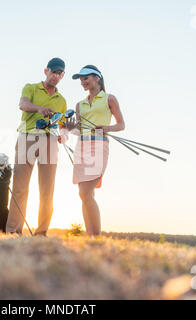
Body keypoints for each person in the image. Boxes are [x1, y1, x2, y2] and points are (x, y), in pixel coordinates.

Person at [6, 58, 68, 236]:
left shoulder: (61, 100)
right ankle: (13, 231)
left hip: (50, 141)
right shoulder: (31, 88)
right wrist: (40, 109)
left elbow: (62, 125)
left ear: (62, 75)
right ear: (45, 71)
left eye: (59, 73)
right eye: (53, 72)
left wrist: (64, 135)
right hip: (27, 137)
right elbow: (23, 105)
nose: (56, 76)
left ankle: (41, 232)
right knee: (20, 187)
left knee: (47, 189)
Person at [66, 65, 125, 236]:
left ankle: (95, 236)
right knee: (83, 194)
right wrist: (70, 128)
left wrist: (106, 128)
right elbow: (79, 130)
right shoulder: (79, 105)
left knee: (86, 192)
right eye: (81, 79)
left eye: (86, 78)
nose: (83, 82)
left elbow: (121, 125)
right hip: (81, 146)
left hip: (99, 146)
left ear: (97, 78)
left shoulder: (109, 99)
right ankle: (91, 236)